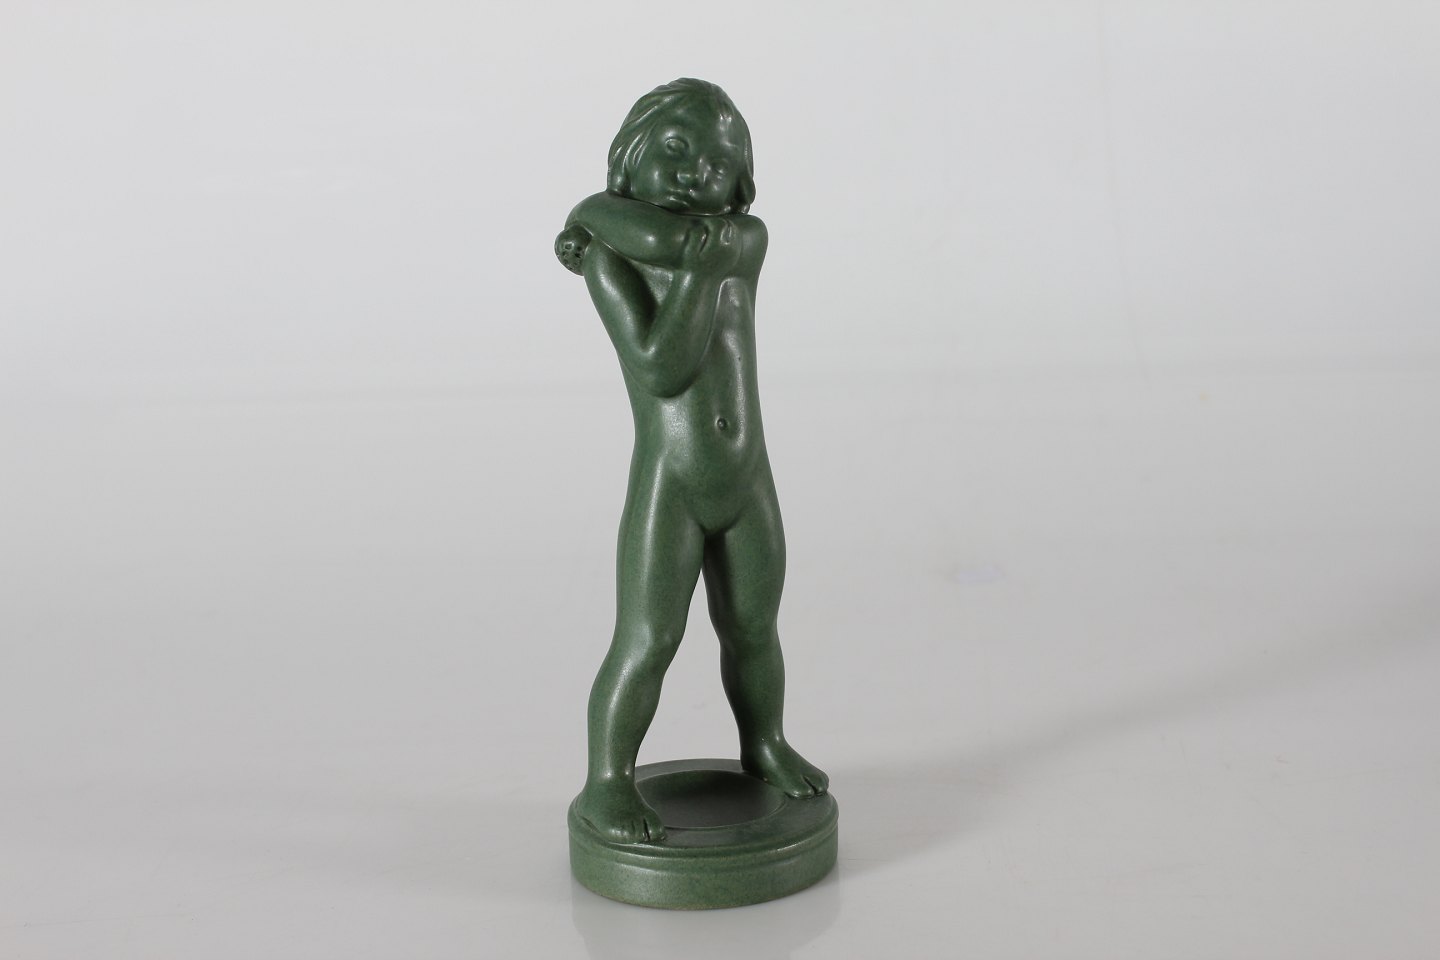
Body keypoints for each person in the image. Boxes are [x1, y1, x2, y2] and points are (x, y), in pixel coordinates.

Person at [556, 79, 827, 844]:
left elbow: (676, 244)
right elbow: (662, 369)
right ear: (631, 153)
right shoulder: (613, 267)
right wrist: (693, 276)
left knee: (755, 629)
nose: (693, 173)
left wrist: (587, 213)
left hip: (747, 478)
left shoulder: (745, 239)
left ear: (739, 184)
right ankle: (608, 781)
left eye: (718, 164)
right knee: (648, 639)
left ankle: (764, 743)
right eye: (674, 149)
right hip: (672, 482)